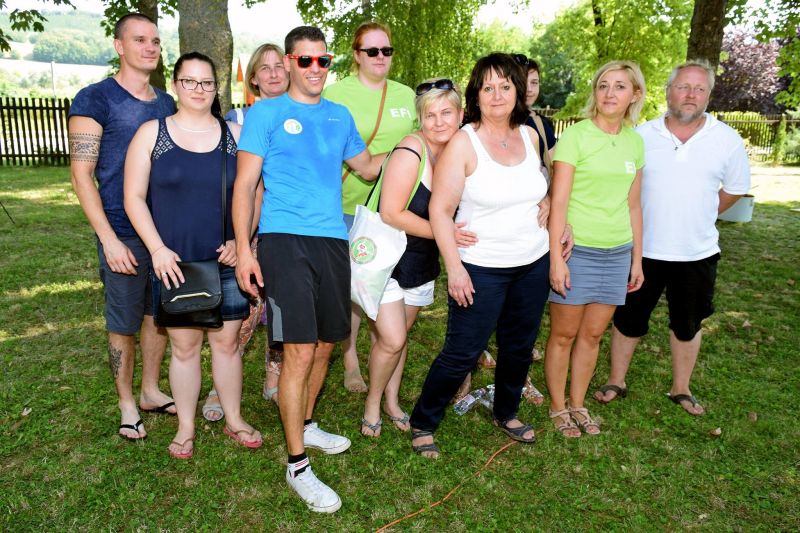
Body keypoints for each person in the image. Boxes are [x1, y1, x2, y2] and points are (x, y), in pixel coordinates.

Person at [233, 26, 385, 513]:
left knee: (325, 344)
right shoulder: (267, 113)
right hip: (284, 241)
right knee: (298, 350)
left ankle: (307, 422)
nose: (315, 69)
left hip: (333, 241)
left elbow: (367, 167)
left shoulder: (339, 116)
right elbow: (245, 185)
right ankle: (297, 464)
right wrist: (245, 250)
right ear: (290, 62)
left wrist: (420, 143)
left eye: (323, 60)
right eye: (305, 60)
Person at [409, 53, 553, 458]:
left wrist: (548, 199)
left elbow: (544, 178)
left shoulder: (530, 135)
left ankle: (506, 411)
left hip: (533, 262)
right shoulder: (463, 142)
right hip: (481, 268)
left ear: (517, 91)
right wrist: (455, 269)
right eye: (488, 87)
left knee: (519, 346)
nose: (497, 95)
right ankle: (424, 421)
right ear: (476, 94)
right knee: (463, 351)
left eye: (505, 86)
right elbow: (440, 210)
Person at [593, 60, 750, 416]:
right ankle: (616, 380)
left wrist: (702, 212)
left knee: (688, 324)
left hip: (697, 253)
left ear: (708, 95)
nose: (690, 95)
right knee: (628, 320)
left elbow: (735, 189)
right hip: (642, 250)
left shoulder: (726, 139)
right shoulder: (641, 136)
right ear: (668, 92)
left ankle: (681, 388)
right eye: (683, 87)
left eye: (699, 88)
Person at [124, 52, 261, 459]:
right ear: (175, 85)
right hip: (174, 263)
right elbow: (133, 198)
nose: (198, 89)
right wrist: (157, 249)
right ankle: (185, 427)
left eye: (206, 82)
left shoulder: (236, 135)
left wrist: (241, 240)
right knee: (183, 347)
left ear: (216, 87)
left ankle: (234, 418)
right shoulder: (152, 134)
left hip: (226, 260)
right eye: (189, 81)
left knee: (227, 344)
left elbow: (256, 192)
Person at [68, 12, 176, 441]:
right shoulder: (95, 99)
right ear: (119, 46)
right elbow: (81, 176)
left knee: (158, 314)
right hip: (121, 229)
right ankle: (127, 402)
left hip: (163, 232)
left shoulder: (167, 103)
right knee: (123, 320)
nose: (150, 47)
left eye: (155, 41)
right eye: (139, 40)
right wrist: (109, 240)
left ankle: (150, 389)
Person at [359, 78, 469, 437]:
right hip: (387, 258)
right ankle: (372, 402)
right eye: (430, 115)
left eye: (446, 113)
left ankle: (392, 400)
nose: (438, 122)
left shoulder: (457, 151)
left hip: (421, 261)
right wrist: (446, 233)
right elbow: (391, 212)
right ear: (420, 119)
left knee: (400, 337)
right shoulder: (411, 150)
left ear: (460, 115)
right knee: (391, 339)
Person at [544, 60, 646, 438]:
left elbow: (634, 205)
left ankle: (578, 403)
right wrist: (556, 259)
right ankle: (558, 407)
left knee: (592, 336)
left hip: (616, 252)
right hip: (578, 251)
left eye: (619, 86)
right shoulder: (576, 137)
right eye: (603, 85)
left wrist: (636, 259)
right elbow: (558, 201)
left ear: (634, 95)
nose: (609, 93)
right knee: (564, 334)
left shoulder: (636, 142)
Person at [322, 22, 417, 393]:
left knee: (387, 284)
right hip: (348, 207)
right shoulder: (335, 94)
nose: (380, 57)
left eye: (386, 50)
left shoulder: (406, 95)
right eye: (372, 51)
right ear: (357, 55)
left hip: (397, 209)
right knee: (353, 288)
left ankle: (386, 347)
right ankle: (350, 361)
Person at [202, 42, 290, 422]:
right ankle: (219, 385)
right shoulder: (237, 120)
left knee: (283, 308)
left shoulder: (304, 114)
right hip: (251, 229)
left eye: (278, 66)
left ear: (290, 71)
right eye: (264, 68)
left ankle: (274, 375)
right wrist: (241, 240)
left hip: (290, 229)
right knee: (245, 310)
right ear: (253, 78)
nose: (273, 73)